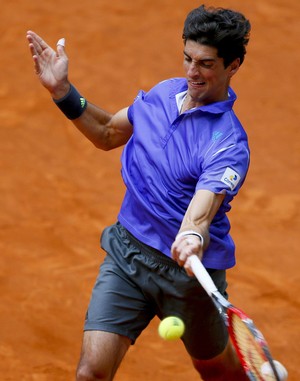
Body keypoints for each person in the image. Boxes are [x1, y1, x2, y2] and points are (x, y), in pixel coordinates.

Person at [27, 5, 255, 381]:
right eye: (187, 58)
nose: (191, 73)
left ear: (233, 65)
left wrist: (193, 234)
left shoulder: (228, 144)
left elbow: (203, 210)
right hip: (128, 255)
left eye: (206, 64)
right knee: (91, 373)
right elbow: (105, 132)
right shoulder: (164, 94)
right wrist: (65, 93)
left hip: (189, 277)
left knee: (217, 371)